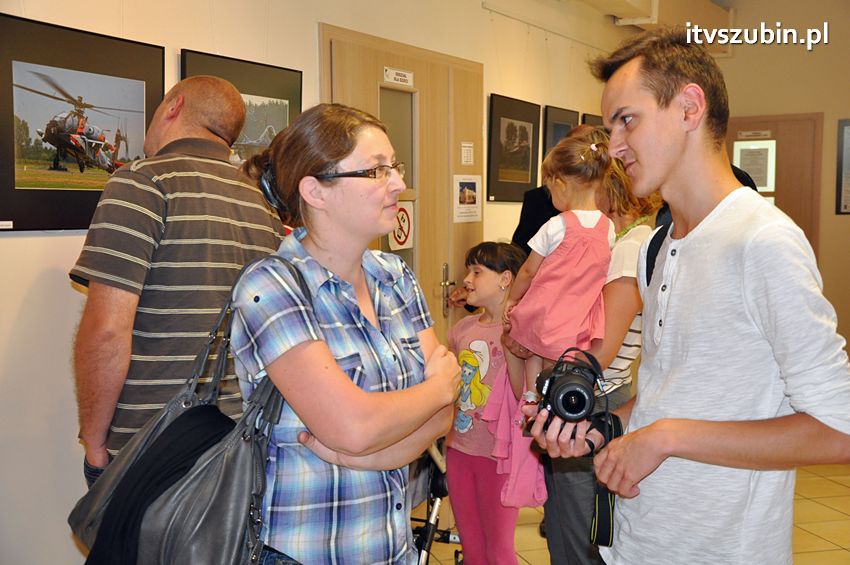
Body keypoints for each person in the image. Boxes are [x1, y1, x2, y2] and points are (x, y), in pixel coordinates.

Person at [524, 26, 850, 564]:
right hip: (636, 544)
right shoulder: (657, 245)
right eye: (610, 126)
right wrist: (602, 429)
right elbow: (668, 391)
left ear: (689, 108)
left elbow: (838, 429)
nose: (614, 146)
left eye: (627, 120)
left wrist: (668, 437)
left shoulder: (763, 241)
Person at [229, 103, 461, 564]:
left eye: (394, 166)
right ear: (315, 191)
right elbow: (354, 427)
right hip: (305, 553)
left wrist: (377, 456)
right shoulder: (271, 286)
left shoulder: (395, 277)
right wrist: (438, 387)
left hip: (391, 547)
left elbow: (445, 416)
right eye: (376, 171)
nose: (398, 183)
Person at [70, 76, 285, 487]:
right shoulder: (261, 203)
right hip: (243, 442)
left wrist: (94, 443)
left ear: (173, 107)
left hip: (154, 447)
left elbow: (107, 332)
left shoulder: (142, 182)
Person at [540, 137, 661, 565]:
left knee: (578, 535)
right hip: (602, 394)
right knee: (575, 524)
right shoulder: (627, 240)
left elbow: (600, 350)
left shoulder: (630, 246)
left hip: (596, 397)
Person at [504, 126, 616, 400]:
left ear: (561, 184)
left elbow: (528, 270)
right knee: (558, 373)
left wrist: (512, 299)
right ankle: (549, 403)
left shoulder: (557, 225)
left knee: (526, 349)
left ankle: (530, 400)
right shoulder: (608, 228)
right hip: (579, 321)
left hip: (545, 312)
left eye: (549, 186)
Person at [444, 241, 530, 565]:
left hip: (499, 456)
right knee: (472, 548)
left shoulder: (521, 331)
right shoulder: (461, 331)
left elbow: (526, 392)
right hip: (459, 450)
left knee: (499, 549)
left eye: (477, 272)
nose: (467, 279)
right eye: (468, 271)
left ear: (505, 279)